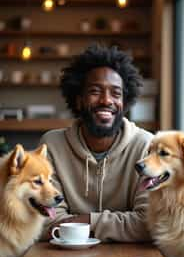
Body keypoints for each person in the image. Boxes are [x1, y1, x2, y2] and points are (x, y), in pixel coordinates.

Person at [39, 44, 153, 242]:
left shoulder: (147, 146)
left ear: (124, 103)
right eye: (95, 91)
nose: (106, 100)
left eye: (116, 93)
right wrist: (123, 226)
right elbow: (45, 222)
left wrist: (85, 222)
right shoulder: (52, 146)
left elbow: (151, 223)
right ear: (78, 100)